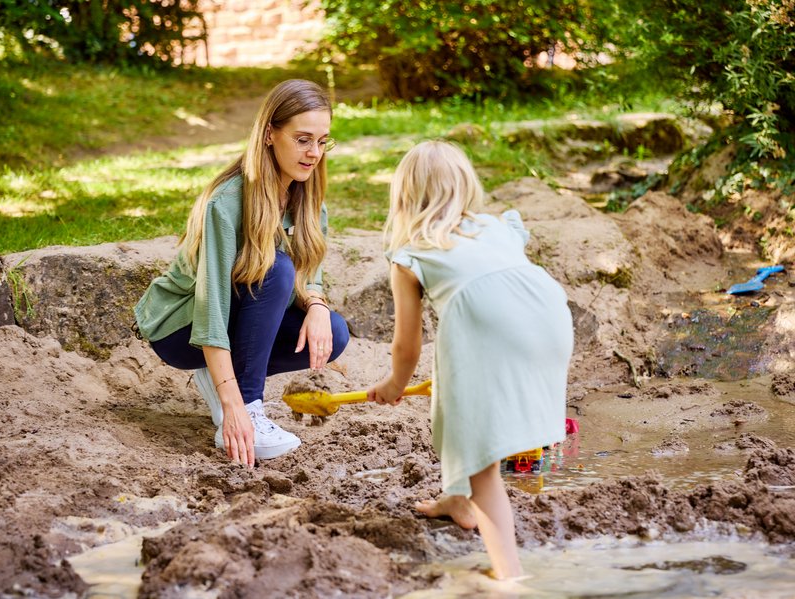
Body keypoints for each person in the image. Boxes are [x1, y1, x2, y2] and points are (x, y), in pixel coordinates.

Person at [367, 140, 573, 579]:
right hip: (550, 317)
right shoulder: (496, 227)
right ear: (465, 186)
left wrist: (394, 384)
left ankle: (510, 576)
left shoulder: (411, 254)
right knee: (459, 407)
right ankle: (456, 498)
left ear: (403, 197)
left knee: (480, 450)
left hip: (485, 324)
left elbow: (407, 345)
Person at [134, 79, 350, 468]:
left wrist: (316, 304)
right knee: (276, 268)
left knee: (334, 332)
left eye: (323, 141)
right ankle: (248, 405)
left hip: (234, 318)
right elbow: (210, 306)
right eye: (303, 140)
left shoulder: (307, 202)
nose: (314, 153)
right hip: (180, 329)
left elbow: (309, 276)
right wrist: (232, 406)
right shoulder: (227, 204)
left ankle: (229, 382)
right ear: (270, 134)